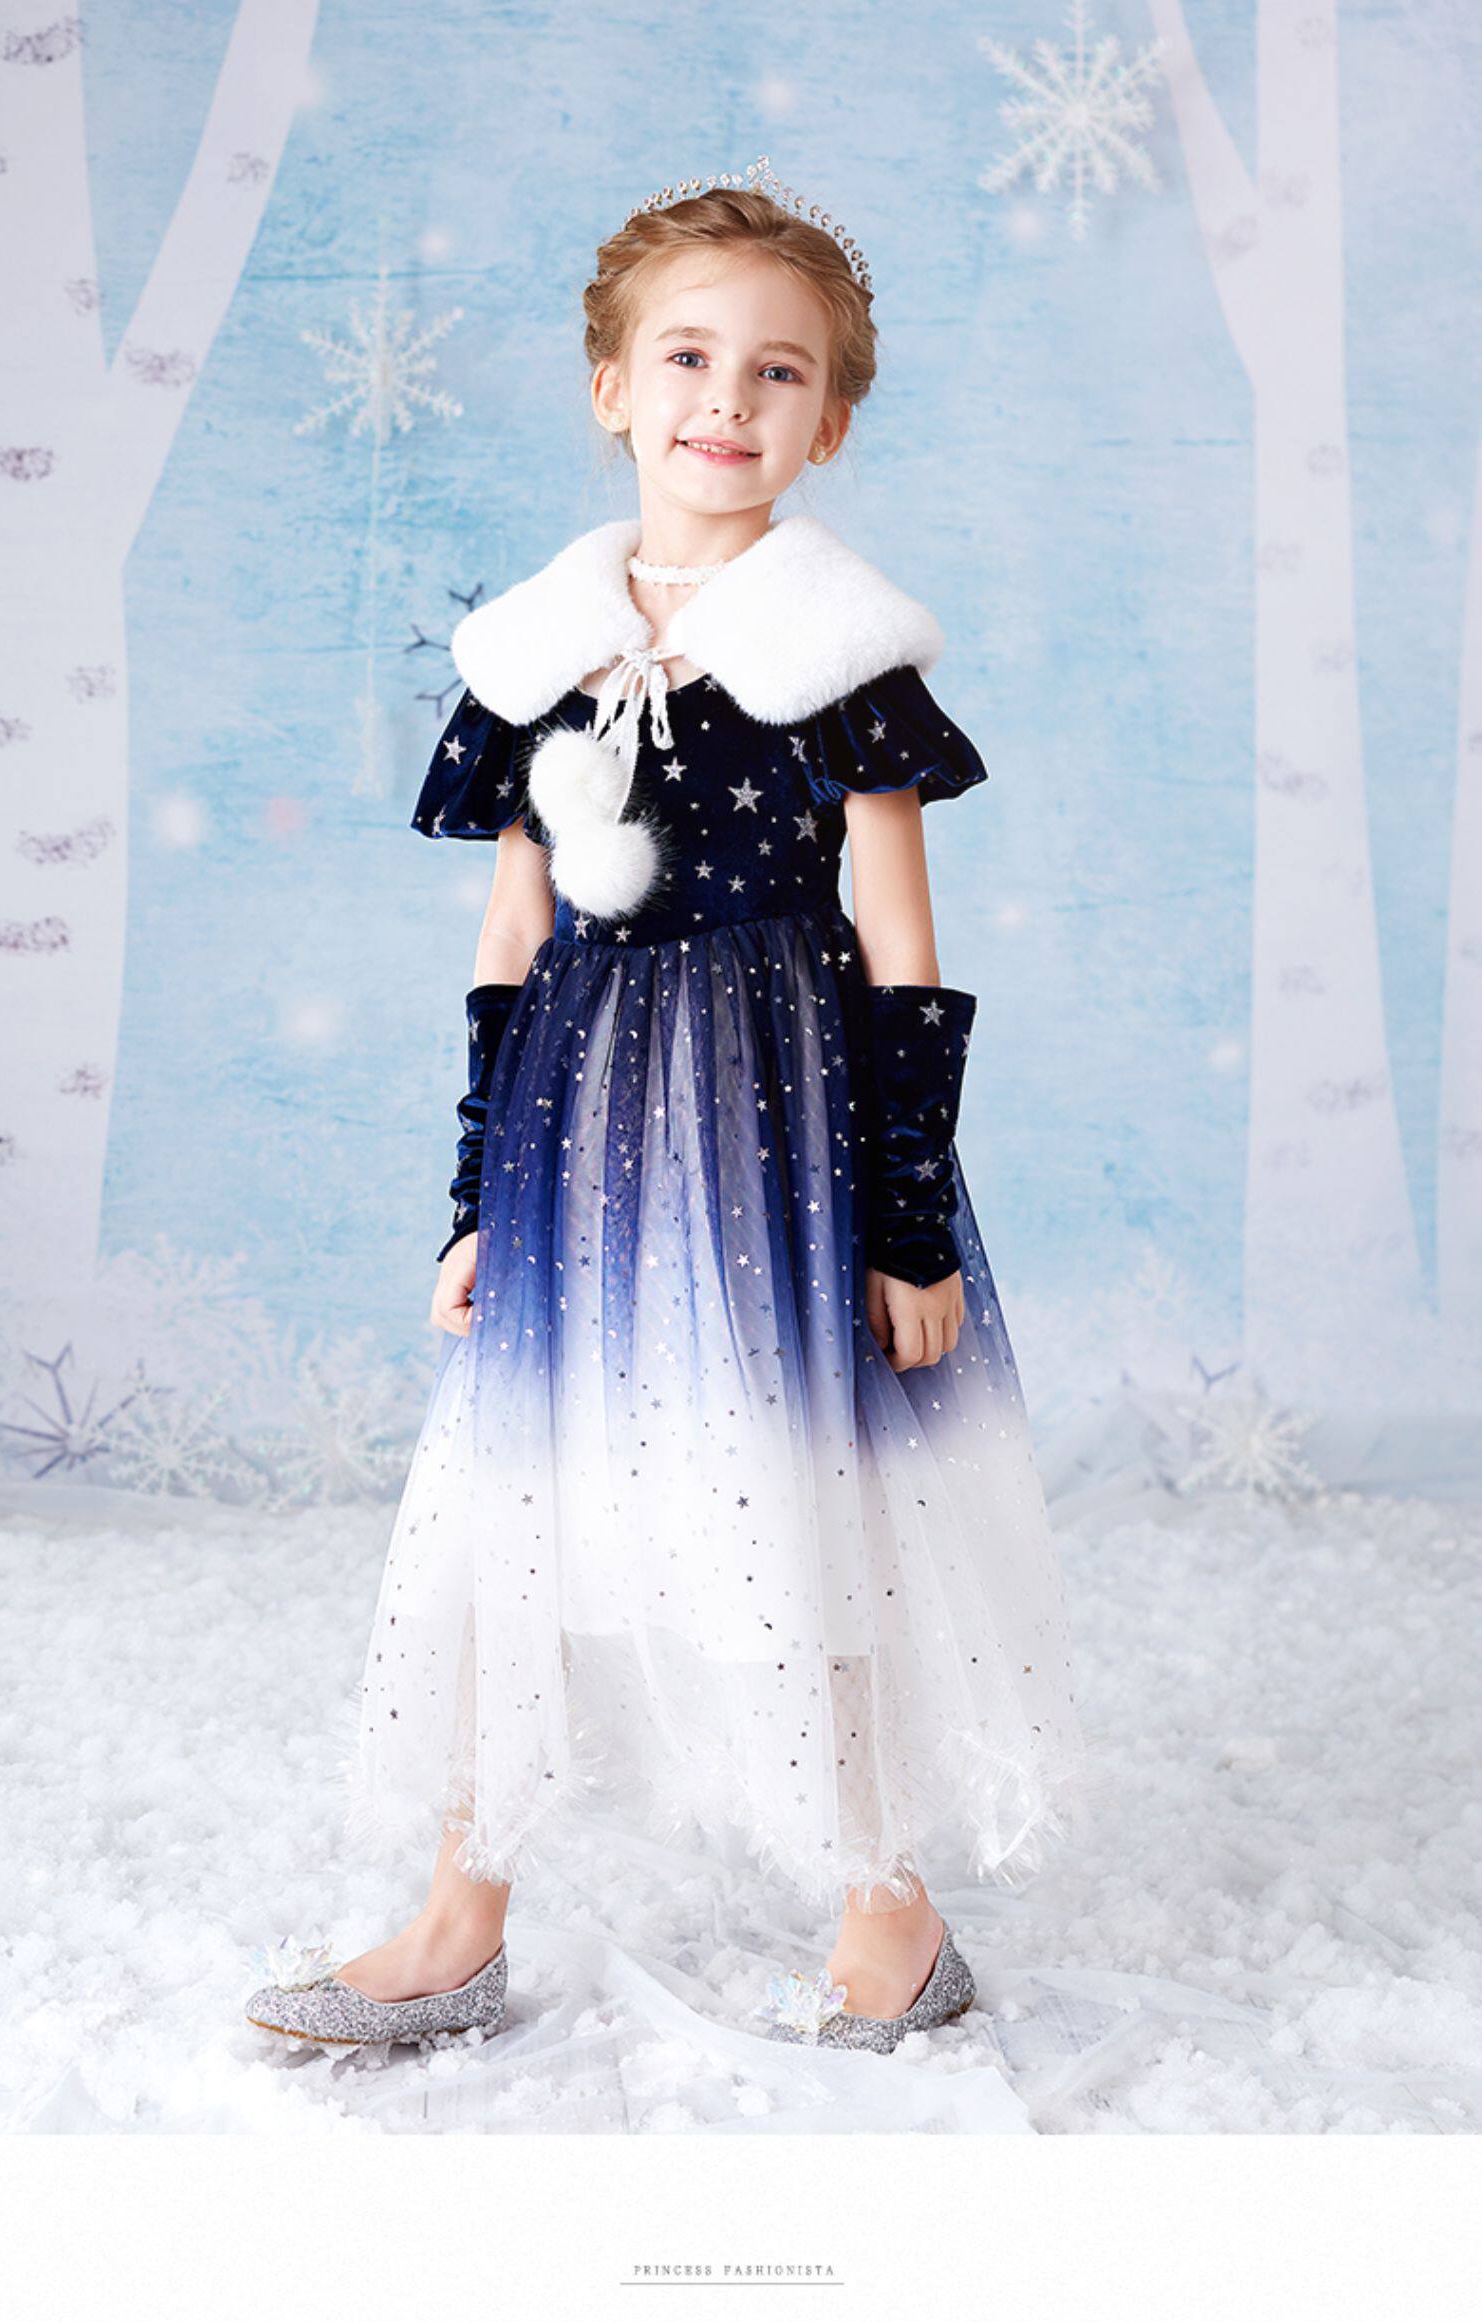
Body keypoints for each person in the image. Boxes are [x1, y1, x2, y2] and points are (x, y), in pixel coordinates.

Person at [245, 161, 1093, 2059]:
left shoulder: (839, 659)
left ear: (831, 420)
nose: (729, 398)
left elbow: (903, 952)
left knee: (786, 1503)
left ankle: (891, 1915)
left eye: (780, 371)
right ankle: (459, 1914)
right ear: (611, 388)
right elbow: (510, 937)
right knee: (525, 1503)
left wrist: (909, 1220)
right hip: (576, 1145)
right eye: (689, 357)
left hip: (779, 1146)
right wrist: (476, 1198)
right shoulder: (535, 651)